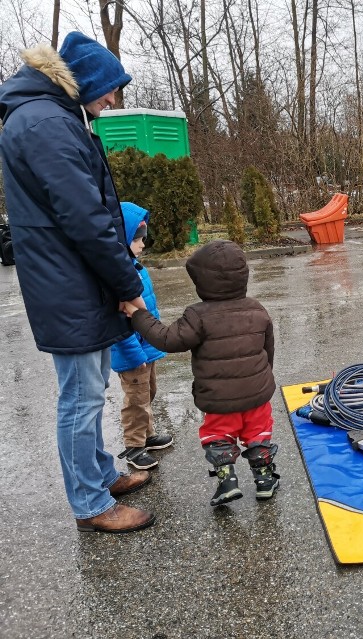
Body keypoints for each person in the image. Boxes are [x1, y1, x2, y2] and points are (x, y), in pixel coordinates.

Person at [0, 32, 156, 533]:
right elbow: (86, 219)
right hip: (68, 283)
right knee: (80, 396)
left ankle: (101, 473)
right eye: (109, 89)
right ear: (84, 81)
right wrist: (127, 282)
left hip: (74, 281)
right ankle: (91, 503)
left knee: (89, 388)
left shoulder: (51, 116)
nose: (112, 100)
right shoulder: (46, 123)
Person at [124, 240, 280, 506]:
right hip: (257, 395)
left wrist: (139, 316)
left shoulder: (198, 315)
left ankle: (227, 481)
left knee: (218, 436)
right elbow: (268, 350)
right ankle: (264, 480)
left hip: (218, 400)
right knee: (258, 435)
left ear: (203, 283)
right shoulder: (257, 309)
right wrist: (260, 381)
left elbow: (168, 340)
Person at [111, 202, 173, 470]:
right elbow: (118, 322)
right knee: (136, 399)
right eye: (137, 238)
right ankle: (134, 445)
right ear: (121, 238)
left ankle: (147, 435)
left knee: (149, 392)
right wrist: (135, 353)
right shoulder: (116, 276)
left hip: (146, 346)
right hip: (131, 351)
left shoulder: (135, 267)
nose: (142, 244)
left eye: (143, 238)